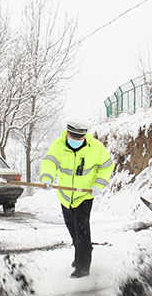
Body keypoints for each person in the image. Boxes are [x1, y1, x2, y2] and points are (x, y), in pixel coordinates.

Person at [39, 119, 115, 278]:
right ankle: (83, 250)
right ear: (67, 133)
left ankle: (83, 265)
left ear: (84, 136)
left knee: (82, 229)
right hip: (65, 195)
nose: (75, 140)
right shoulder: (58, 145)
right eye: (72, 137)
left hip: (84, 196)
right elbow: (49, 162)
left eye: (79, 138)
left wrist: (98, 185)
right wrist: (47, 178)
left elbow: (106, 166)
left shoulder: (95, 148)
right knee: (72, 227)